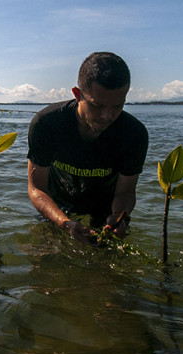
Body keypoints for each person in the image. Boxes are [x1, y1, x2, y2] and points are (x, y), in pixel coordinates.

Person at [27, 52, 149, 244]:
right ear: (77, 95)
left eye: (118, 106)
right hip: (57, 205)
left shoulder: (134, 134)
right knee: (45, 260)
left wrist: (119, 217)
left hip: (106, 207)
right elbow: (37, 188)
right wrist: (63, 222)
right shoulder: (46, 124)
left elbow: (125, 192)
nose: (107, 116)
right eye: (97, 106)